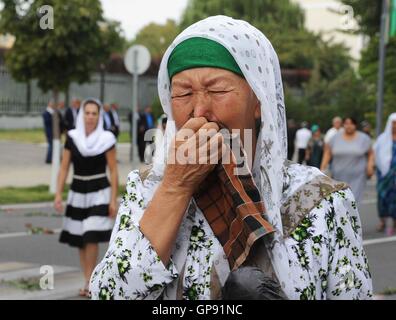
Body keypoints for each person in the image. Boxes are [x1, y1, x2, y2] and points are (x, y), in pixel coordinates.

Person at [90, 16, 372, 300]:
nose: (199, 111)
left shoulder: (321, 201)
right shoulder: (147, 189)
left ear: (259, 101)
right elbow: (110, 294)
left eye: (218, 90)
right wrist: (176, 187)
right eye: (183, 93)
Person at [54, 98, 118, 297]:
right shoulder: (72, 137)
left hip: (100, 190)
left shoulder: (107, 139)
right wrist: (58, 194)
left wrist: (113, 199)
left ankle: (91, 282)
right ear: (82, 115)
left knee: (91, 235)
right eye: (87, 113)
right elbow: (64, 167)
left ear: (100, 117)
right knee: (80, 238)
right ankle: (87, 278)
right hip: (78, 190)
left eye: (94, 113)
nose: (90, 117)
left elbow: (114, 170)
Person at [321, 117, 375, 204]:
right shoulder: (335, 138)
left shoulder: (363, 138)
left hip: (357, 177)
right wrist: (323, 167)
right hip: (338, 176)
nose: (349, 126)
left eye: (351, 124)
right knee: (340, 201)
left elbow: (370, 153)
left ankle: (353, 218)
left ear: (355, 125)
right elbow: (327, 153)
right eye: (346, 123)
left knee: (353, 202)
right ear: (343, 125)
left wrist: (370, 165)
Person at [374, 113, 396, 236]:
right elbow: (376, 153)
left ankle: (394, 221)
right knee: (382, 197)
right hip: (384, 174)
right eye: (393, 123)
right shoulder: (383, 138)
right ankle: (382, 220)